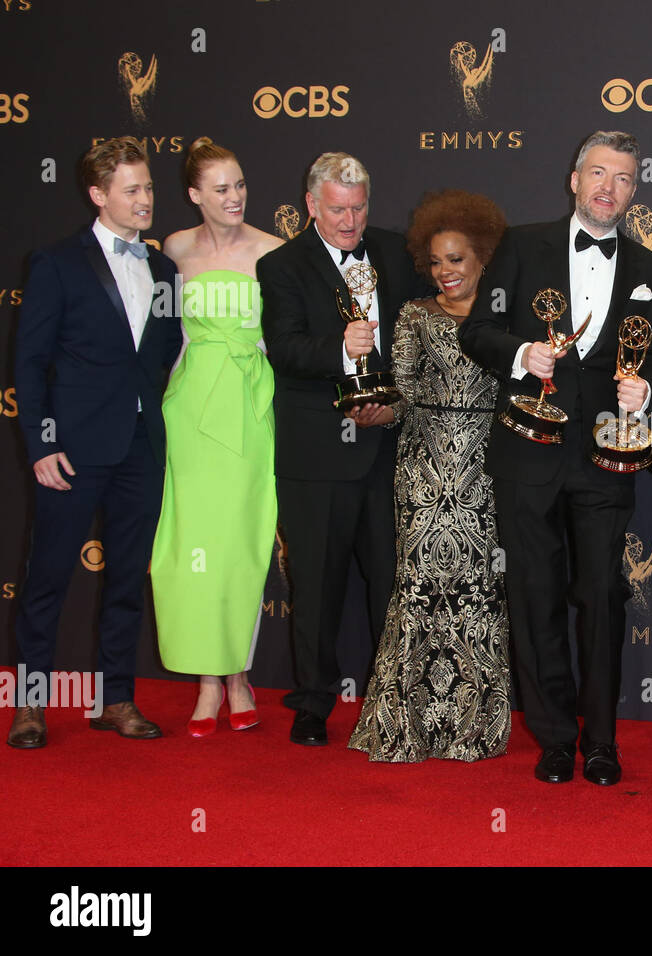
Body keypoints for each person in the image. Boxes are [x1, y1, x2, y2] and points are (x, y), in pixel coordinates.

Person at [459, 131, 652, 786]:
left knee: (602, 598)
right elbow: (477, 332)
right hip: (527, 451)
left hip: (606, 455)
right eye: (598, 173)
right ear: (574, 179)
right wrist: (523, 354)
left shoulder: (651, 270)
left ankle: (601, 741)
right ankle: (553, 737)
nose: (610, 187)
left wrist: (648, 389)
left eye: (625, 178)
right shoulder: (522, 246)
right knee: (535, 595)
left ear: (636, 191)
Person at [9, 137, 181, 748]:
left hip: (141, 446)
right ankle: (30, 705)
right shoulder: (57, 262)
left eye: (149, 188)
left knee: (128, 577)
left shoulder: (164, 270)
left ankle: (116, 699)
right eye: (131, 190)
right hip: (73, 450)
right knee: (48, 577)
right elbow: (29, 364)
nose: (144, 200)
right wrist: (40, 443)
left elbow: (161, 357)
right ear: (98, 194)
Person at [257, 152, 422, 746]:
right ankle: (312, 704)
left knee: (390, 581)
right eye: (337, 210)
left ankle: (392, 704)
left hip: (386, 446)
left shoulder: (397, 251)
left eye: (358, 209)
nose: (351, 222)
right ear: (310, 206)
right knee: (317, 586)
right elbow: (285, 349)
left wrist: (398, 400)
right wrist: (341, 349)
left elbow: (419, 336)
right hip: (316, 453)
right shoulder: (281, 266)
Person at [349, 190, 511, 762]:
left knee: (475, 592)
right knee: (418, 589)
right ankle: (407, 725)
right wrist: (376, 411)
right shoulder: (415, 316)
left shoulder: (506, 318)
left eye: (457, 260)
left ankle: (473, 725)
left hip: (485, 470)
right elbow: (404, 390)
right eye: (437, 262)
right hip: (421, 468)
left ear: (483, 258)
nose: (446, 272)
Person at [151, 138, 282, 737]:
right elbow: (161, 336)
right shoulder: (173, 249)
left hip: (250, 405)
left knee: (241, 543)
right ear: (195, 195)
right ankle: (208, 681)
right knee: (192, 547)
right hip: (191, 409)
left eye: (240, 185)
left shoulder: (274, 251)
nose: (234, 197)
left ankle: (238, 676)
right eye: (221, 189)